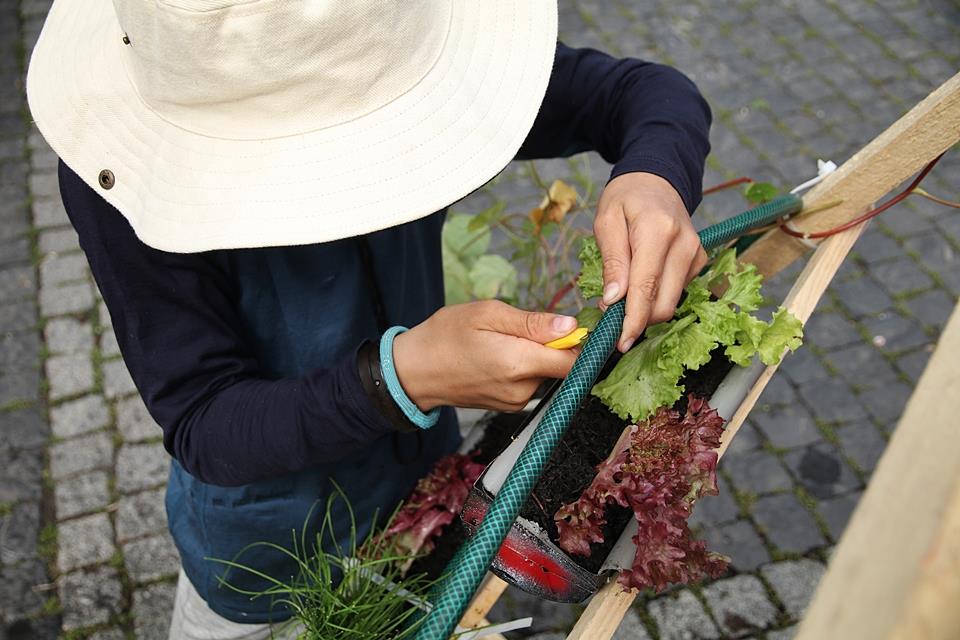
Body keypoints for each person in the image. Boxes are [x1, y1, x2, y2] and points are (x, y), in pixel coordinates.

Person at [27, 1, 711, 637]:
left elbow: (642, 93)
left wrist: (652, 175)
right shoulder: (117, 177)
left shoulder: (368, 38)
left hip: (421, 490)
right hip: (263, 557)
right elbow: (206, 424)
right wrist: (402, 378)